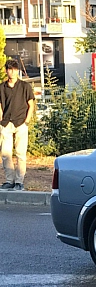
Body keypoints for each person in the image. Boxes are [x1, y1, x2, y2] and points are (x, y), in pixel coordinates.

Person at [0, 59, 35, 191]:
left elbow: (31, 105)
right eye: (10, 69)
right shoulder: (1, 87)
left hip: (21, 123)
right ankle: (10, 180)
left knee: (20, 153)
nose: (12, 71)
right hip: (6, 123)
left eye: (15, 69)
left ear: (18, 70)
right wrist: (1, 120)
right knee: (6, 154)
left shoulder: (25, 87)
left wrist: (26, 121)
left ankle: (19, 181)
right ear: (6, 70)